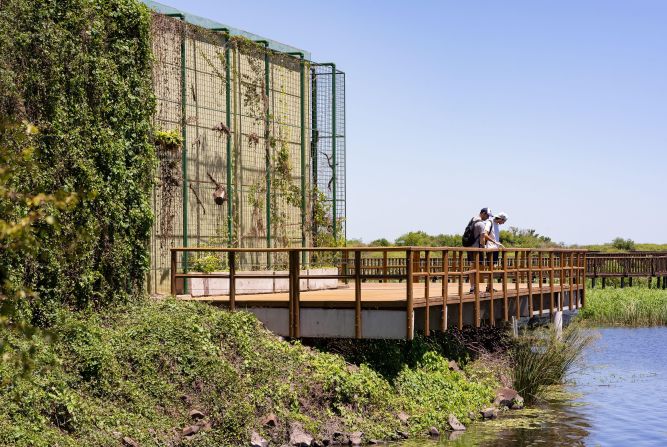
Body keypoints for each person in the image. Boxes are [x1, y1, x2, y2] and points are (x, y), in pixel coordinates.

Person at [466, 208, 493, 293]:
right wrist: (484, 248)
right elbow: (482, 238)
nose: (488, 217)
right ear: (483, 213)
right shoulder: (481, 224)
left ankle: (473, 287)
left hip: (470, 247)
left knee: (472, 267)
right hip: (477, 249)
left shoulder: (473, 219)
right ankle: (475, 288)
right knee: (478, 268)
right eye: (487, 215)